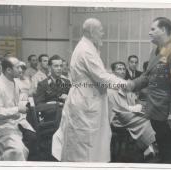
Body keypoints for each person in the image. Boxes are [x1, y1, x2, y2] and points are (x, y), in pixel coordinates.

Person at [52, 18, 129, 162]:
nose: (103, 34)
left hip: (87, 100)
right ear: (92, 32)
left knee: (88, 144)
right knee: (84, 145)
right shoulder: (86, 51)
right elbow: (102, 77)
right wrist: (126, 84)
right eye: (101, 31)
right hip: (85, 102)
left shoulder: (87, 48)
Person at [126, 17, 171, 164]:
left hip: (166, 112)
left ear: (163, 30)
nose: (149, 32)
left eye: (152, 29)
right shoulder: (157, 51)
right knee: (162, 148)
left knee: (168, 151)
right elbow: (146, 77)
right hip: (155, 109)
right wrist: (130, 84)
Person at [0, 56, 36, 161]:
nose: (21, 70)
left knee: (33, 138)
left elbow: (15, 102)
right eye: (18, 67)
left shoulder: (15, 81)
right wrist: (17, 109)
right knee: (19, 150)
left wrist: (23, 103)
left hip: (14, 121)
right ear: (8, 70)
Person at [109, 62, 156, 158]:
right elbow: (114, 107)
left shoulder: (126, 84)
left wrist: (137, 107)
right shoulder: (110, 85)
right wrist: (132, 108)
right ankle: (147, 147)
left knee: (148, 116)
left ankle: (148, 147)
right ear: (113, 71)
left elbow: (134, 100)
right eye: (119, 69)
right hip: (117, 117)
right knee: (145, 120)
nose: (122, 72)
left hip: (127, 113)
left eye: (123, 69)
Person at [35, 55, 71, 121]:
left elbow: (73, 100)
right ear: (49, 68)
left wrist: (68, 98)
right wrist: (55, 104)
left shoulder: (67, 82)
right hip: (50, 117)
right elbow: (38, 104)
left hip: (66, 115)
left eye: (61, 65)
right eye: (56, 66)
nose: (59, 68)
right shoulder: (43, 84)